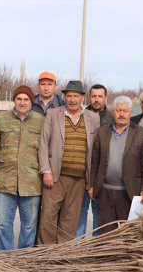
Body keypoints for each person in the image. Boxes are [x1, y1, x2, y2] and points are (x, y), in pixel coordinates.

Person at [38, 80, 99, 245]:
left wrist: (91, 181)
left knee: (70, 219)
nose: (72, 99)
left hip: (79, 179)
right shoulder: (53, 114)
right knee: (48, 217)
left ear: (82, 98)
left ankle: (63, 254)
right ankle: (44, 253)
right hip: (56, 176)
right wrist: (46, 171)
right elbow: (43, 143)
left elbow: (95, 150)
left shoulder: (93, 118)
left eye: (76, 96)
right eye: (69, 96)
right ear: (64, 97)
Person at [0, 86, 44, 251]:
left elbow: (46, 150)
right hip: (5, 180)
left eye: (26, 99)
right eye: (19, 99)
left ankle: (24, 258)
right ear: (14, 100)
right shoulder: (2, 119)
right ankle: (4, 258)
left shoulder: (41, 121)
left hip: (31, 181)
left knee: (29, 225)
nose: (22, 102)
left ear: (31, 102)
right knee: (3, 223)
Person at [88, 96, 143, 233]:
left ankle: (126, 256)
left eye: (125, 111)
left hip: (129, 192)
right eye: (118, 111)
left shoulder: (142, 134)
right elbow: (95, 161)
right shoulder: (102, 132)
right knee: (106, 233)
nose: (121, 114)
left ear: (130, 112)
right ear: (113, 112)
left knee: (128, 233)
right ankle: (107, 255)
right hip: (105, 192)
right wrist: (92, 185)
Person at [76, 84, 111, 238]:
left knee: (99, 214)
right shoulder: (81, 115)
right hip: (83, 173)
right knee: (79, 213)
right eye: (94, 96)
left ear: (106, 98)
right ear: (89, 97)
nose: (96, 99)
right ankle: (78, 246)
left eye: (100, 96)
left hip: (102, 175)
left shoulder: (112, 118)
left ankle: (96, 246)